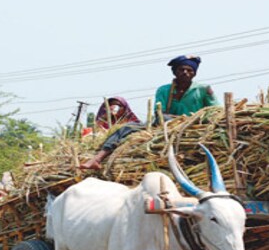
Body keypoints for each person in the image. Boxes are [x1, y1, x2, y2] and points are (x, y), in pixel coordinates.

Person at [80, 55, 218, 170]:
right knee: (128, 128)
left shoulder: (203, 89)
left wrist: (194, 119)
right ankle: (98, 158)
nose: (185, 73)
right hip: (166, 124)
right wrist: (173, 120)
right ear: (175, 72)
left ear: (195, 73)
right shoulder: (164, 90)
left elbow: (216, 110)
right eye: (181, 69)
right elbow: (159, 113)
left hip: (195, 125)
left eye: (189, 70)